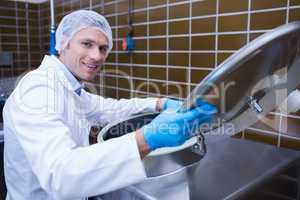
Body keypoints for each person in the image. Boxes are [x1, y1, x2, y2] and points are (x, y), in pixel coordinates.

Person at [3, 10, 216, 200]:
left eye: (103, 48)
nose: (96, 56)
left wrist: (161, 104)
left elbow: (111, 108)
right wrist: (148, 138)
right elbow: (60, 174)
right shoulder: (39, 89)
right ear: (63, 43)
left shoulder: (70, 88)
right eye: (87, 44)